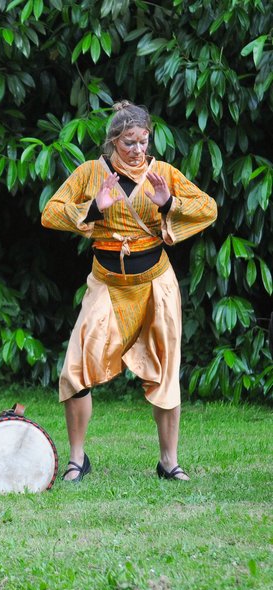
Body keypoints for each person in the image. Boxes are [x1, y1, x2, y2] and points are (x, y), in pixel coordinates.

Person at [41, 101, 217, 482]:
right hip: (106, 282)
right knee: (75, 368)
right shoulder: (91, 173)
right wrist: (94, 210)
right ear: (112, 144)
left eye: (143, 141)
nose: (137, 150)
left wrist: (168, 203)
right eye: (128, 143)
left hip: (156, 284)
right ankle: (77, 459)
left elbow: (207, 208)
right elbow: (50, 212)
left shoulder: (163, 174)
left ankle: (169, 462)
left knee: (167, 370)